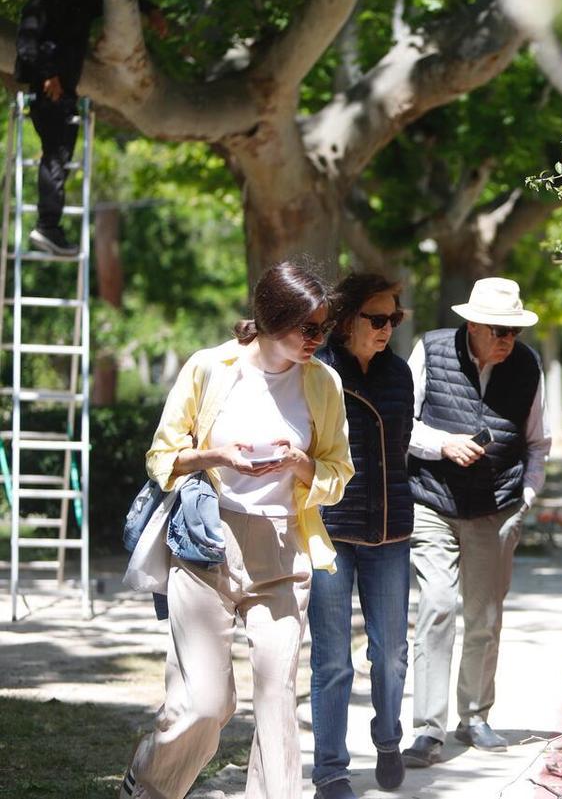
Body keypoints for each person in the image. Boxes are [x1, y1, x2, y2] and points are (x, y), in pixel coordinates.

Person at [121, 261, 353, 799]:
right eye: (308, 328)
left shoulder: (324, 383)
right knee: (206, 704)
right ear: (272, 319)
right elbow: (160, 458)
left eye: (325, 327)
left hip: (282, 552)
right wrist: (215, 455)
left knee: (277, 702)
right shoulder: (210, 368)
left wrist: (300, 464)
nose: (318, 339)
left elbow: (339, 473)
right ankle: (149, 782)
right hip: (206, 547)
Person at [401, 277, 550, 767]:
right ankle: (428, 729)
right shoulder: (432, 349)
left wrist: (526, 497)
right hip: (433, 501)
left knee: (484, 616)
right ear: (471, 324)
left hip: (498, 506)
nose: (507, 340)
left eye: (514, 332)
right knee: (438, 606)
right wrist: (441, 443)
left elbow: (536, 442)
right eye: (498, 330)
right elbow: (402, 422)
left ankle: (475, 716)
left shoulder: (527, 365)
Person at [308, 273, 415, 799]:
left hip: (391, 528)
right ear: (347, 319)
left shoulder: (399, 374)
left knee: (391, 651)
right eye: (377, 319)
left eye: (394, 318)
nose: (387, 328)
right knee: (332, 658)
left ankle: (389, 736)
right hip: (330, 528)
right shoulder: (319, 370)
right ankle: (330, 768)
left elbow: (403, 445)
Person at [14, 0, 166, 256]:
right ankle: (47, 226)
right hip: (48, 92)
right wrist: (48, 75)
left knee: (60, 157)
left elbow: (115, 3)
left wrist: (151, 9)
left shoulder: (81, 4)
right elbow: (26, 46)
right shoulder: (40, 4)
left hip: (66, 92)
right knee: (55, 155)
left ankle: (49, 225)